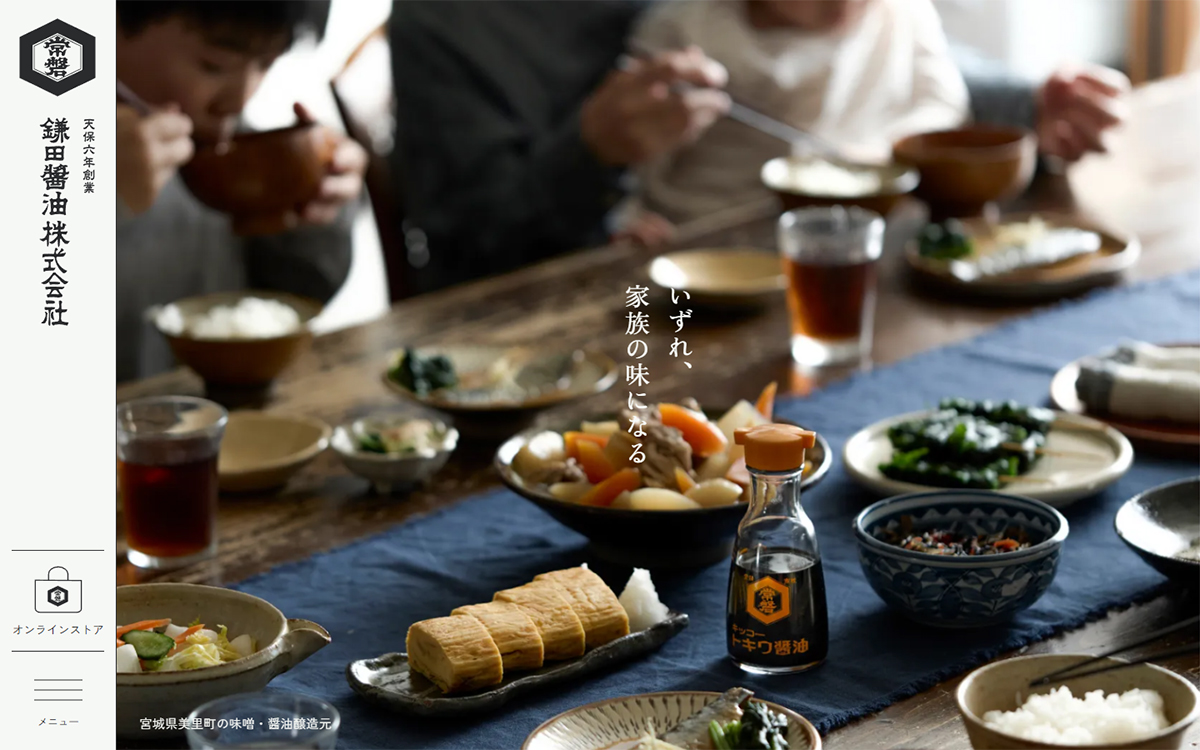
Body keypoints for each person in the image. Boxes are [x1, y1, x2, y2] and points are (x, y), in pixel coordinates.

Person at [390, 0, 1128, 289]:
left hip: (785, 269)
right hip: (589, 311)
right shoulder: (445, 26)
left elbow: (840, 50)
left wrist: (1026, 99)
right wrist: (590, 153)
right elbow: (465, 241)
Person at [116, 1, 367, 382]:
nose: (240, 99)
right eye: (214, 65)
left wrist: (313, 203)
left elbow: (295, 294)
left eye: (266, 63)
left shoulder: (222, 147)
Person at [629, 0, 971, 226]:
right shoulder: (686, 28)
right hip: (712, 227)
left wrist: (882, 152)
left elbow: (944, 104)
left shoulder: (902, 12)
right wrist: (634, 215)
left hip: (855, 224)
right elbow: (633, 155)